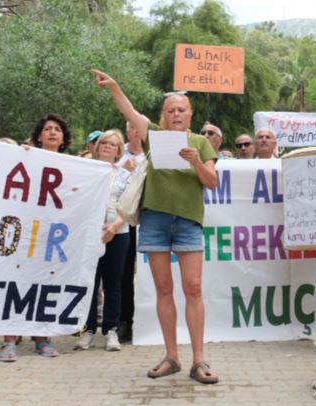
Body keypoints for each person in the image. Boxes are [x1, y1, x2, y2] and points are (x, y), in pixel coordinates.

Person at [91, 68, 220, 384]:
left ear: (190, 115)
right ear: (164, 116)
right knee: (164, 289)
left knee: (193, 287)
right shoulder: (153, 137)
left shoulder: (202, 144)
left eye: (181, 110)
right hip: (155, 221)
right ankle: (172, 357)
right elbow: (130, 112)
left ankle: (199, 360)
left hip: (188, 222)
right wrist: (115, 87)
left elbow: (212, 182)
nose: (176, 114)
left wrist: (195, 161)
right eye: (171, 110)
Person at [0, 113, 71, 362]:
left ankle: (42, 338)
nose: (52, 132)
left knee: (46, 285)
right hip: (25, 230)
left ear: (63, 138)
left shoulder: (76, 166)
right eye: (47, 128)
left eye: (57, 129)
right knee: (15, 283)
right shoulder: (27, 157)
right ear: (39, 135)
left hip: (53, 236)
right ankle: (9, 340)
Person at [75, 129, 131, 352]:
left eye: (113, 144)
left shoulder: (125, 175)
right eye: (104, 143)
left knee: (113, 283)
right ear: (96, 147)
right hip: (90, 233)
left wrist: (114, 225)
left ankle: (111, 330)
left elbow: (128, 204)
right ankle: (87, 330)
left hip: (118, 232)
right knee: (90, 281)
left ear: (119, 150)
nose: (108, 146)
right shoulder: (85, 171)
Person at [116, 120, 147, 343]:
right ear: (127, 131)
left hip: (149, 220)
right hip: (123, 222)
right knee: (124, 273)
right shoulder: (118, 155)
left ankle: (148, 320)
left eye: (139, 127)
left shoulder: (153, 155)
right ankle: (124, 321)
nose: (136, 131)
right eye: (132, 127)